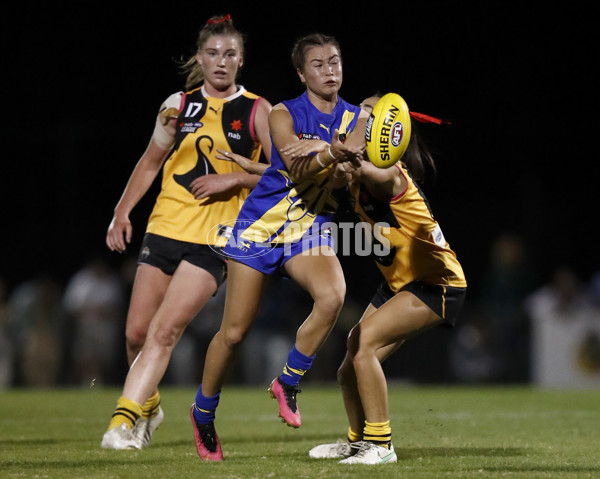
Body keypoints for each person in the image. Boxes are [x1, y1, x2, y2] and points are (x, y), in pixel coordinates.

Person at [190, 32, 368, 461]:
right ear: (301, 73)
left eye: (336, 61)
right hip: (261, 225)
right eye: (319, 64)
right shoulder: (282, 113)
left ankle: (288, 380)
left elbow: (348, 174)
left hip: (312, 226)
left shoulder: (358, 116)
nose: (330, 70)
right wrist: (332, 154)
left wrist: (338, 163)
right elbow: (296, 165)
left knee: (333, 296)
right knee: (233, 334)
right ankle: (203, 411)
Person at [101, 14, 272, 450]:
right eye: (212, 53)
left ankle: (123, 423)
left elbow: (282, 175)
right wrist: (122, 212)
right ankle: (150, 406)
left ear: (241, 60)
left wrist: (232, 179)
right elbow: (150, 161)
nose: (220, 61)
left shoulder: (257, 110)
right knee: (135, 334)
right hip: (164, 227)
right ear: (200, 57)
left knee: (164, 331)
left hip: (215, 238)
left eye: (229, 54)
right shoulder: (177, 105)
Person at [308, 96, 467, 465]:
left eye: (365, 114)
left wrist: (333, 154)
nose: (355, 117)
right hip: (400, 283)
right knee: (349, 363)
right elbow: (320, 174)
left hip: (437, 283)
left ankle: (381, 445)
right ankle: (358, 441)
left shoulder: (389, 174)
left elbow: (368, 173)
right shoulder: (356, 171)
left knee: (363, 346)